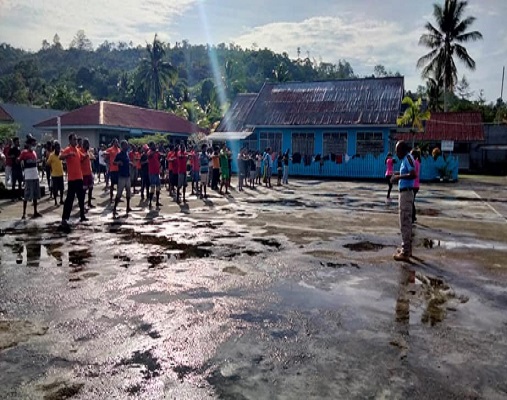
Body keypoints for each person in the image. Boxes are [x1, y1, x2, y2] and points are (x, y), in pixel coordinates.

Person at [391, 141, 416, 262]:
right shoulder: (405, 159)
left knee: (405, 222)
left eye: (397, 151)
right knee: (405, 221)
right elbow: (408, 173)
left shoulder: (408, 158)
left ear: (402, 150)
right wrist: (397, 173)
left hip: (406, 193)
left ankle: (405, 252)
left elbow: (413, 174)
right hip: (404, 193)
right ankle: (407, 249)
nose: (396, 154)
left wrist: (398, 177)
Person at [60, 133, 87, 227]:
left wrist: (87, 156)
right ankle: (64, 218)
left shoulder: (77, 150)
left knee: (81, 198)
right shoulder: (68, 149)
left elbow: (82, 157)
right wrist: (68, 155)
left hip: (79, 177)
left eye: (76, 139)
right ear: (70, 141)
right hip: (72, 179)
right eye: (74, 139)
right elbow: (60, 157)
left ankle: (82, 215)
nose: (76, 141)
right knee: (69, 199)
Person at [19, 135, 41, 219]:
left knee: (35, 195)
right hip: (28, 176)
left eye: (34, 144)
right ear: (28, 144)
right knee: (27, 194)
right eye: (33, 144)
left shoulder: (34, 153)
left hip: (35, 175)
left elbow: (35, 163)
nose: (34, 145)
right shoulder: (24, 153)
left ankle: (35, 211)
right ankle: (24, 213)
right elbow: (19, 160)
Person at [113, 140, 132, 217]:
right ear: (122, 146)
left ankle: (128, 207)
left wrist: (130, 163)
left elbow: (127, 161)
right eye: (125, 145)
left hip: (127, 175)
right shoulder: (119, 155)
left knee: (128, 192)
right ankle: (114, 208)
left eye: (127, 145)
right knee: (119, 193)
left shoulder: (127, 154)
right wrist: (118, 163)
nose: (127, 146)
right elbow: (114, 162)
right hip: (122, 176)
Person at [46, 141, 64, 206]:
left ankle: (61, 200)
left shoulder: (60, 154)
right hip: (54, 175)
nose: (58, 149)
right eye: (57, 148)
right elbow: (47, 163)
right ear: (55, 148)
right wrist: (51, 168)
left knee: (61, 189)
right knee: (55, 189)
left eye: (59, 148)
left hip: (61, 174)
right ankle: (56, 201)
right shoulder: (51, 155)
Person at [81, 138, 95, 209]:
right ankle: (82, 205)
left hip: (89, 172)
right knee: (83, 190)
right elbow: (80, 161)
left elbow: (92, 158)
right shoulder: (81, 151)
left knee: (91, 188)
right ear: (84, 144)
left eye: (88, 144)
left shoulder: (88, 152)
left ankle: (89, 203)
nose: (88, 145)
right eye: (86, 144)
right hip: (84, 174)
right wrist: (84, 157)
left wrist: (92, 157)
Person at [147, 141, 162, 208]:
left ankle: (157, 202)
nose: (155, 146)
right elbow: (149, 156)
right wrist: (155, 151)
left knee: (158, 187)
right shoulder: (149, 152)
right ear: (150, 146)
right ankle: (150, 202)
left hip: (157, 172)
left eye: (155, 145)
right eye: (153, 145)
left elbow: (159, 157)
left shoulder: (156, 152)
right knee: (152, 187)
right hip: (152, 172)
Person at [411, 148, 421, 224]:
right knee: (412, 201)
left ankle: (413, 216)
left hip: (413, 184)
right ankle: (413, 216)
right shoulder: (418, 162)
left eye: (411, 154)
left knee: (411, 202)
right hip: (416, 185)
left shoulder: (414, 163)